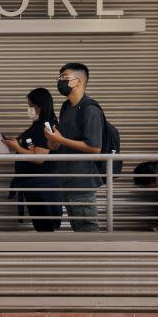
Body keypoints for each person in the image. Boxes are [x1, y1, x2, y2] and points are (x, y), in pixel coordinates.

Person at [46, 63, 102, 232]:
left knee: (87, 227)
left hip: (82, 179)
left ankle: (95, 258)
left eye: (65, 77)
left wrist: (61, 139)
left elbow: (95, 148)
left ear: (78, 81)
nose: (60, 80)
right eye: (59, 77)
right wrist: (53, 140)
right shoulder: (65, 107)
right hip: (66, 177)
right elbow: (59, 142)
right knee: (77, 227)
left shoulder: (90, 108)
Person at [3, 88, 62, 232]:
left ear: (39, 106)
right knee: (42, 226)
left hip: (42, 186)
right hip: (36, 185)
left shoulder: (46, 127)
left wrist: (16, 146)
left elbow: (39, 158)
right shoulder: (37, 126)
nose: (29, 109)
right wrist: (17, 143)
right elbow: (32, 148)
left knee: (45, 228)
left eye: (30, 106)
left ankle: (48, 253)